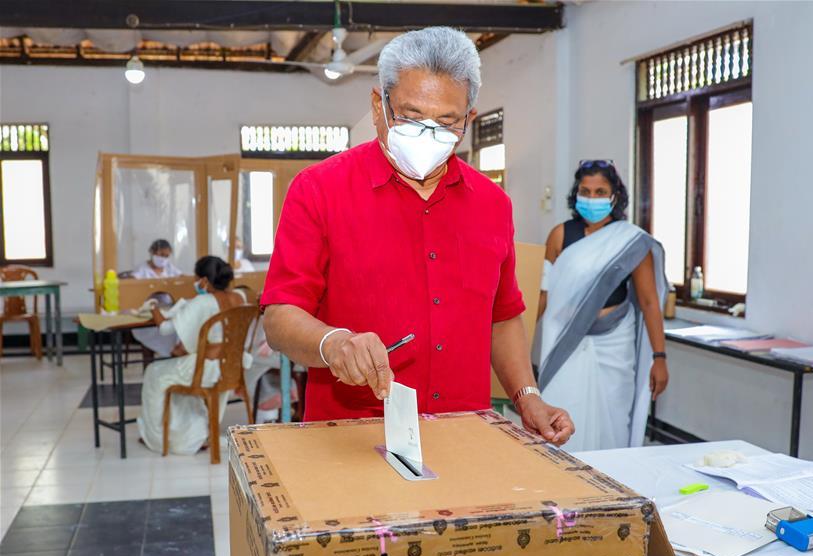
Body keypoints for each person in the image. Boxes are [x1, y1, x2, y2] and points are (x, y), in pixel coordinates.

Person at [261, 27, 573, 444]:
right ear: (378, 106)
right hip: (351, 436)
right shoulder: (319, 190)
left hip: (465, 433)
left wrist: (528, 396)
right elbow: (279, 317)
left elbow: (502, 316)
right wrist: (332, 343)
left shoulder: (492, 204)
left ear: (468, 120)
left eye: (446, 121)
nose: (428, 135)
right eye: (410, 117)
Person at [536, 160, 669, 452]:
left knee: (612, 416)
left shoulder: (629, 240)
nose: (592, 198)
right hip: (566, 342)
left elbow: (648, 302)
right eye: (586, 191)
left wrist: (659, 357)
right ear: (576, 194)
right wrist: (517, 339)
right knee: (560, 410)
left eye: (600, 192)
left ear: (614, 196)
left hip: (614, 345)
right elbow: (543, 294)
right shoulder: (560, 235)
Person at [137, 256, 246, 455]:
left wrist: (153, 308)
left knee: (155, 372)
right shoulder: (239, 297)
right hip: (232, 367)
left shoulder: (203, 301)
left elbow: (165, 328)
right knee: (177, 370)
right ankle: (197, 433)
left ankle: (158, 438)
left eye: (196, 279)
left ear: (204, 280)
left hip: (206, 369)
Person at [132, 239, 183, 356]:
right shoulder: (142, 269)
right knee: (155, 330)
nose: (163, 259)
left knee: (177, 327)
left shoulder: (169, 267)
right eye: (161, 255)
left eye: (166, 256)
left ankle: (175, 355)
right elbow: (133, 286)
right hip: (147, 313)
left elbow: (182, 278)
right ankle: (167, 354)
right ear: (152, 252)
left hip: (169, 311)